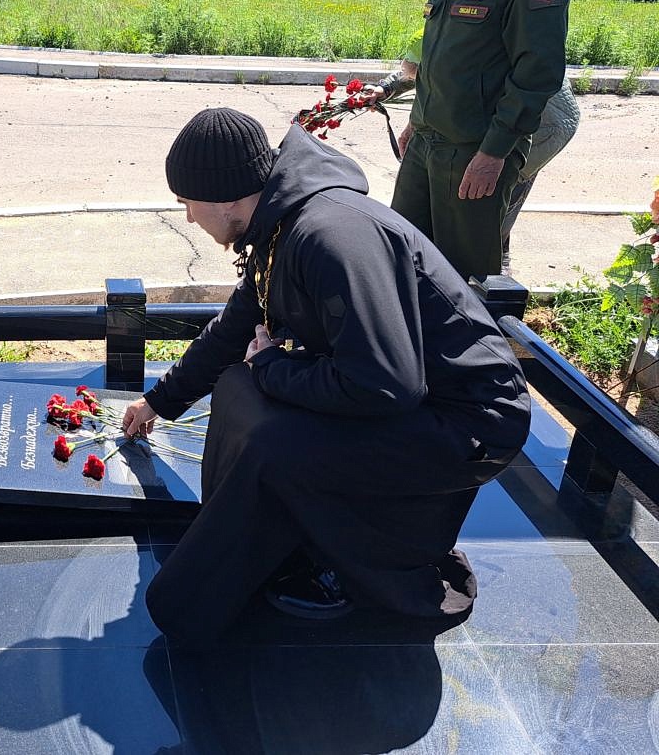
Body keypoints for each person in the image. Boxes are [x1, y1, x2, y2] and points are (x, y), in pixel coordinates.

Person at [121, 107, 531, 645]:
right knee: (238, 388)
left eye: (187, 203)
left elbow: (386, 384)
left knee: (277, 444)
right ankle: (271, 539)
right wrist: (160, 402)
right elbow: (234, 330)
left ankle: (347, 567)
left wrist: (270, 366)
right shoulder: (279, 222)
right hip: (416, 397)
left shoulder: (329, 234)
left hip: (468, 422)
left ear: (222, 196)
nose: (189, 218)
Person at [390, 0, 572, 281]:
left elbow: (538, 66)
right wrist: (419, 117)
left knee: (462, 284)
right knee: (401, 260)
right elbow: (445, 48)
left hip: (474, 151)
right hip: (428, 141)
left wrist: (494, 152)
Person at [379, 50, 581, 274]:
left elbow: (441, 76)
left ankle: (496, 271)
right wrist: (388, 88)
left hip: (544, 128)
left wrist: (494, 155)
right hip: (503, 119)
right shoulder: (442, 31)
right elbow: (431, 75)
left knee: (487, 202)